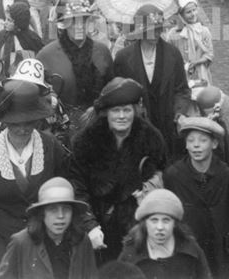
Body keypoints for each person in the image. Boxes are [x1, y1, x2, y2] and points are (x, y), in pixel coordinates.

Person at [0, 77, 69, 279]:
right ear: (4, 120)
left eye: (29, 122)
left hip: (40, 242)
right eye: (15, 123)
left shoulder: (51, 147)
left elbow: (64, 193)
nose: (22, 129)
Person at [69, 78, 169, 263]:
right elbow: (77, 187)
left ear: (135, 112)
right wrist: (90, 226)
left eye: (127, 110)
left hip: (137, 231)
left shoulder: (151, 139)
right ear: (106, 113)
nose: (121, 116)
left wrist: (150, 190)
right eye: (116, 110)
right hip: (97, 232)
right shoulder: (85, 143)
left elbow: (163, 175)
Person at [164, 117, 229, 279]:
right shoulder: (174, 175)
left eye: (203, 140)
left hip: (219, 248)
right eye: (191, 140)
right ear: (185, 144)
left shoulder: (224, 174)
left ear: (214, 144)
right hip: (188, 249)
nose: (196, 145)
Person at [113, 4, 194, 158]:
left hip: (168, 124)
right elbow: (118, 95)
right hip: (138, 127)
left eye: (160, 28)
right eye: (153, 30)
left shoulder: (173, 54)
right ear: (141, 31)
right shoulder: (123, 58)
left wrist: (179, 113)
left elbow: (182, 90)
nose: (158, 33)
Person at [0, 177, 97, 279]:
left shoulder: (82, 241)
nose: (60, 216)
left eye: (66, 209)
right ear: (42, 213)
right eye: (53, 209)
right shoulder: (21, 242)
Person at [37, 0, 114, 129]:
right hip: (61, 129)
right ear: (63, 24)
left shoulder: (102, 52)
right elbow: (37, 96)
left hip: (100, 126)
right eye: (73, 21)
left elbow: (113, 90)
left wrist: (98, 108)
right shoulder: (46, 55)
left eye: (83, 20)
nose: (79, 26)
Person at [117, 189, 211, 279]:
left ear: (174, 224)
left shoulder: (192, 251)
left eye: (166, 220)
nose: (160, 227)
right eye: (154, 220)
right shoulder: (130, 256)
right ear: (145, 223)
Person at [163, 0, 214, 88]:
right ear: (181, 15)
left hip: (201, 74)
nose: (193, 14)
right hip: (180, 75)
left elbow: (209, 54)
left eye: (194, 10)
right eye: (188, 12)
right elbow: (167, 56)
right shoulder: (173, 34)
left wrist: (196, 62)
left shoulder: (203, 31)